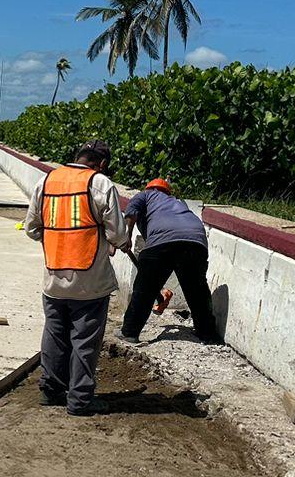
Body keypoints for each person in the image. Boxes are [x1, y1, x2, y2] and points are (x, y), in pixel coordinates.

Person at [21, 140, 128, 416]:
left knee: (54, 334)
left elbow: (32, 228)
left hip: (53, 278)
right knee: (84, 340)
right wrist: (114, 241)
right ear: (102, 164)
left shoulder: (47, 182)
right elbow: (117, 234)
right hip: (89, 282)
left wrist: (58, 239)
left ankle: (51, 391)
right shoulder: (100, 184)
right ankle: (80, 400)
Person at [120, 178, 219, 343]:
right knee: (197, 291)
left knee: (144, 289)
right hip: (196, 241)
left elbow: (131, 211)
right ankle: (208, 334)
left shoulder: (145, 195)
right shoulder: (178, 203)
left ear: (150, 188)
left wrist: (127, 236)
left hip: (163, 240)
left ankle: (129, 332)